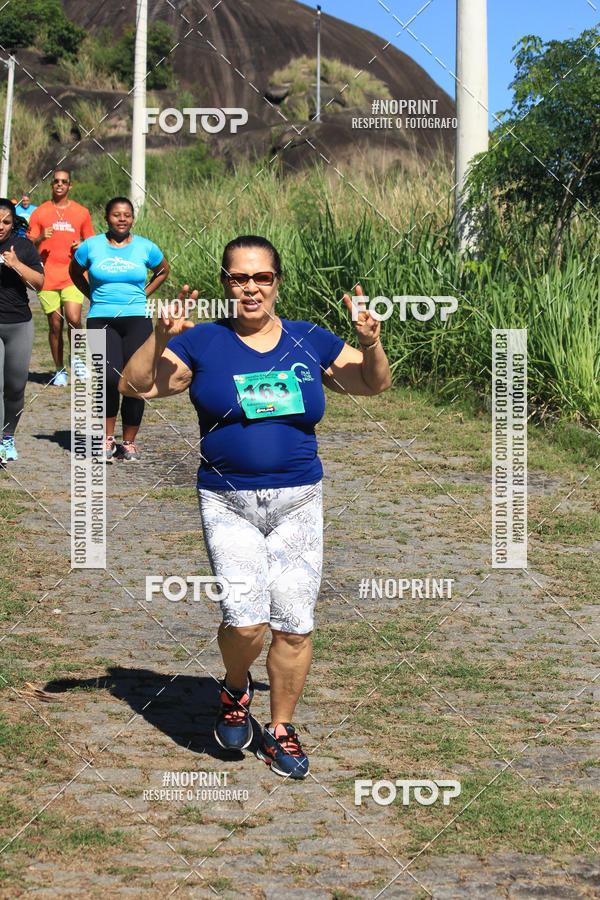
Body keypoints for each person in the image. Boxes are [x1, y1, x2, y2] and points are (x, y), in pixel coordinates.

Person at [119, 235, 391, 778]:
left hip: (298, 500)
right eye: (239, 278)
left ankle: (282, 729)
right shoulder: (203, 343)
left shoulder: (309, 339)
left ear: (276, 281)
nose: (250, 288)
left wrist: (372, 341)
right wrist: (159, 335)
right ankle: (236, 687)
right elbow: (136, 384)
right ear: (225, 282)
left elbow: (371, 383)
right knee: (246, 623)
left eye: (261, 277)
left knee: (294, 623)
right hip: (227, 501)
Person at [69, 197, 169, 461]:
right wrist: (91, 294)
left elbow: (162, 270)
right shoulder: (91, 246)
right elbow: (75, 272)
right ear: (106, 219)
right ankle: (107, 439)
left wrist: (144, 293)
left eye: (126, 215)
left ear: (132, 219)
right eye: (116, 215)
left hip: (137, 319)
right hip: (101, 319)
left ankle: (129, 442)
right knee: (109, 378)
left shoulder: (146, 247)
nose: (122, 219)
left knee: (136, 381)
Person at [27, 170, 95, 386]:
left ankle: (77, 360)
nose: (59, 185)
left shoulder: (82, 212)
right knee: (55, 324)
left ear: (70, 186)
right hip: (47, 277)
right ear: (51, 185)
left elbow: (92, 243)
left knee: (74, 319)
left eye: (64, 182)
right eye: (56, 181)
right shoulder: (40, 212)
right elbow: (28, 247)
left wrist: (81, 245)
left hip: (73, 275)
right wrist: (39, 238)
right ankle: (59, 370)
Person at [0, 199, 45, 462]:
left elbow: (39, 284)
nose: (1, 226)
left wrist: (16, 264)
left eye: (6, 222)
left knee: (15, 387)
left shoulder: (24, 247)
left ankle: (8, 437)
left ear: (13, 223)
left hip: (19, 324)